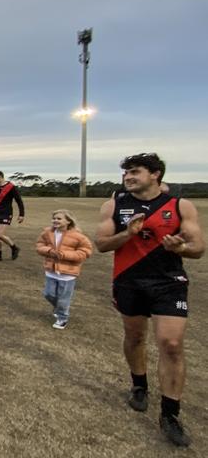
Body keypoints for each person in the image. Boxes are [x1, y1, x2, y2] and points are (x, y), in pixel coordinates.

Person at [95, 153, 204, 447]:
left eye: (135, 172)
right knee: (135, 337)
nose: (128, 177)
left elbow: (198, 248)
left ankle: (170, 413)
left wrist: (181, 248)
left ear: (155, 174)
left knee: (170, 344)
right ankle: (139, 386)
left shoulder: (180, 205)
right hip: (128, 281)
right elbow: (102, 244)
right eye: (126, 173)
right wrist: (128, 234)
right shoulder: (115, 205)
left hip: (168, 283)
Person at [36, 209, 92, 329]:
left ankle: (62, 318)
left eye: (59, 218)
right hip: (51, 271)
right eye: (54, 218)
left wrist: (65, 255)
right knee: (48, 294)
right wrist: (49, 251)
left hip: (68, 274)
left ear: (68, 221)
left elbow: (86, 251)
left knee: (63, 298)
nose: (55, 221)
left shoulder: (78, 236)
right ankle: (59, 309)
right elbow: (39, 245)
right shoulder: (47, 233)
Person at [0, 171, 25, 261]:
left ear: (0, 177)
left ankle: (14, 247)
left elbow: (19, 201)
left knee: (0, 234)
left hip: (6, 213)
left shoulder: (11, 187)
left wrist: (21, 214)